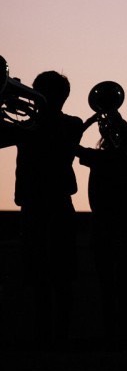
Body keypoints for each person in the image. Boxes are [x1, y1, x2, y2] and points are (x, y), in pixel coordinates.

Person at [0, 71, 83, 347]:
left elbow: (50, 130)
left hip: (52, 202)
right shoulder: (28, 124)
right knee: (40, 274)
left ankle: (56, 337)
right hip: (39, 202)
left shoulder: (70, 123)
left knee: (59, 275)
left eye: (36, 90)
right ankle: (47, 336)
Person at [76, 102, 127, 344]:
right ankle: (124, 337)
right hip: (124, 222)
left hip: (102, 223)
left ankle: (112, 336)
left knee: (107, 285)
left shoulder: (98, 157)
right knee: (123, 284)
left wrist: (89, 123)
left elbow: (72, 146)